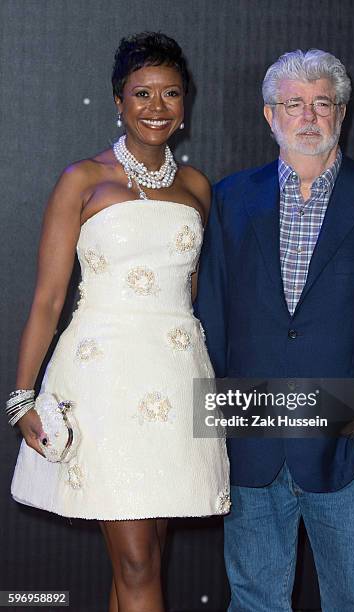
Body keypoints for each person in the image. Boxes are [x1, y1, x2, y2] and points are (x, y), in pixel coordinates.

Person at [195, 49, 354, 611]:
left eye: (321, 103)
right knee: (254, 599)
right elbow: (214, 311)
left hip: (350, 438)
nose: (308, 116)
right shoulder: (229, 199)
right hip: (252, 435)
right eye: (293, 104)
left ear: (342, 114)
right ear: (269, 116)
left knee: (352, 598)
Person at [8, 32, 229, 612]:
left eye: (171, 94)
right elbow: (48, 301)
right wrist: (19, 397)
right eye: (142, 94)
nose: (157, 107)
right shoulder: (83, 180)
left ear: (186, 104)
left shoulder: (197, 187)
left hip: (178, 383)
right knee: (136, 561)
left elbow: (193, 297)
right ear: (118, 101)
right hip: (103, 383)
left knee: (146, 558)